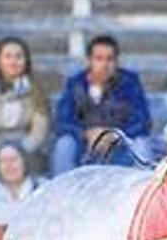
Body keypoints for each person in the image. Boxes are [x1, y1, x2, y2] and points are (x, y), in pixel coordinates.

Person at [52, 35, 151, 175]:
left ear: (116, 62)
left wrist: (114, 135)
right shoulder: (75, 84)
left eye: (109, 59)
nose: (104, 65)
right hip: (85, 149)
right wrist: (86, 134)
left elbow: (143, 121)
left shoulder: (129, 83)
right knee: (64, 144)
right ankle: (61, 193)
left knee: (142, 144)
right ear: (89, 61)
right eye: (99, 58)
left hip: (120, 149)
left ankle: (144, 195)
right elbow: (62, 121)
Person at [0, 36, 50, 172]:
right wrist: (1, 151)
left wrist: (21, 150)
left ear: (26, 61)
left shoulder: (35, 90)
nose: (13, 61)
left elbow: (39, 131)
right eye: (8, 57)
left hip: (26, 148)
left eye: (18, 57)